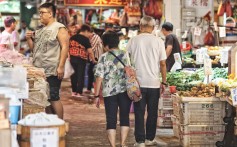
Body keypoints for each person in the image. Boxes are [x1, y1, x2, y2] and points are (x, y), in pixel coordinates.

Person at [126, 16, 167, 147]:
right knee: (153, 112)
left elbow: (127, 61)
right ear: (153, 27)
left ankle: (140, 141)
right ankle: (150, 138)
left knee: (139, 112)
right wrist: (164, 81)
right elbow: (163, 64)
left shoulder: (133, 40)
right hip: (154, 82)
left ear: (140, 26)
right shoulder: (159, 41)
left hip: (138, 83)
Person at [26, 3, 69, 119]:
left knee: (54, 97)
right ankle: (51, 122)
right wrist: (29, 39)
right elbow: (34, 50)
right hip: (39, 71)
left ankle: (60, 124)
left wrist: (61, 66)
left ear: (50, 14)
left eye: (42, 13)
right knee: (45, 98)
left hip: (52, 69)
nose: (40, 15)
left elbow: (65, 47)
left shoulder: (59, 28)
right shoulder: (40, 30)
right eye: (39, 12)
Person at [94, 31, 132, 147]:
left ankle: (113, 145)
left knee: (111, 119)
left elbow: (99, 78)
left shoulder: (104, 57)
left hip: (109, 92)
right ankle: (123, 143)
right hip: (125, 90)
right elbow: (132, 71)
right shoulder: (126, 55)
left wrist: (96, 96)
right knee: (125, 116)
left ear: (106, 45)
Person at [69, 24, 96, 97]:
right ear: (86, 31)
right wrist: (93, 60)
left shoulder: (72, 37)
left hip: (72, 58)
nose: (89, 35)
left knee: (73, 75)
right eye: (89, 32)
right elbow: (90, 51)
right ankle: (79, 92)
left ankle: (74, 91)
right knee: (81, 76)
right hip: (81, 59)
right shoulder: (85, 39)